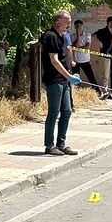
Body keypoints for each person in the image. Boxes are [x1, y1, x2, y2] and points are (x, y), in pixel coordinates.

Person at [39, 10, 82, 156]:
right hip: (54, 79)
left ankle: (61, 144)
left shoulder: (63, 36)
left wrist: (70, 74)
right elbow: (54, 60)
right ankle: (49, 146)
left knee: (67, 111)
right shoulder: (50, 36)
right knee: (54, 112)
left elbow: (65, 56)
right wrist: (69, 75)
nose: (70, 21)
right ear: (58, 21)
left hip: (64, 80)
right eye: (67, 19)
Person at [70, 20, 99, 91]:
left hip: (85, 60)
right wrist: (78, 34)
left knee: (91, 77)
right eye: (77, 26)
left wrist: (77, 48)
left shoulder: (87, 35)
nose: (78, 27)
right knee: (76, 77)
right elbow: (75, 45)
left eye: (80, 26)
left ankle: (97, 91)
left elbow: (87, 47)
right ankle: (76, 91)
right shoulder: (72, 36)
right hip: (76, 60)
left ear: (82, 26)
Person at [92, 16, 112, 98]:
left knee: (111, 75)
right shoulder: (103, 31)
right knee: (105, 75)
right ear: (109, 23)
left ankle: (111, 92)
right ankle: (105, 92)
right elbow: (93, 36)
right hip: (104, 55)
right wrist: (99, 44)